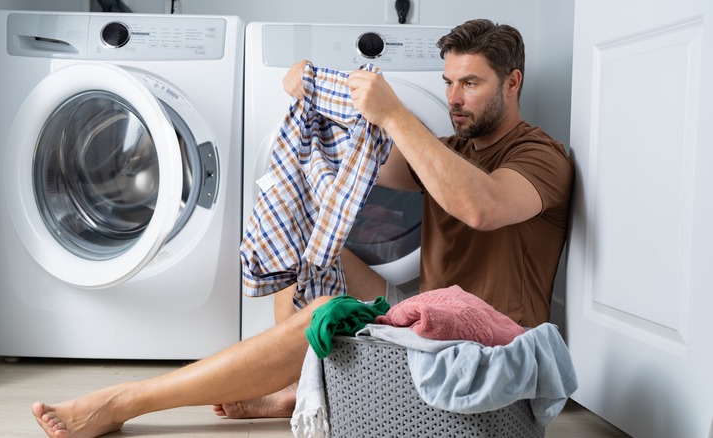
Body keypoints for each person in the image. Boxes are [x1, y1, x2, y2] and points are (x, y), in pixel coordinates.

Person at [32, 19, 573, 437]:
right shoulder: (449, 148)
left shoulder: (540, 156)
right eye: (448, 83)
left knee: (323, 312)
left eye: (471, 84)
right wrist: (313, 94)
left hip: (495, 340)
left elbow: (477, 205)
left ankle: (124, 402)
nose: (453, 100)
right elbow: (368, 159)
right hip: (428, 319)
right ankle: (294, 386)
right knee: (309, 250)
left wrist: (396, 115)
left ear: (513, 81)